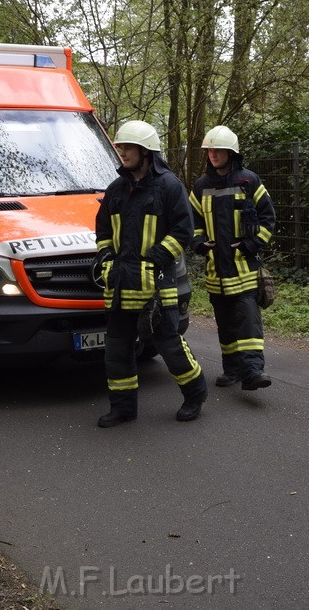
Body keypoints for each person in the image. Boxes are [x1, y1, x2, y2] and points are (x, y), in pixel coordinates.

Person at [93, 120, 208, 427]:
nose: (122, 153)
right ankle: (123, 407)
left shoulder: (169, 186)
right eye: (120, 147)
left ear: (146, 152)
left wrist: (156, 259)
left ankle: (195, 392)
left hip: (157, 285)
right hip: (120, 284)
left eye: (128, 147)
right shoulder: (116, 189)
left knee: (168, 345)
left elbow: (183, 231)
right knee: (117, 349)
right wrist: (105, 256)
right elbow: (103, 230)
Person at [189, 125, 276, 390]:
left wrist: (250, 245)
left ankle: (253, 372)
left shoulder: (249, 181)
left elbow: (268, 219)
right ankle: (232, 370)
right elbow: (192, 222)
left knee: (249, 322)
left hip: (245, 269)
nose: (213, 155)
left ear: (231, 153)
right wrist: (200, 245)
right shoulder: (201, 186)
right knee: (225, 326)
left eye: (218, 150)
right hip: (216, 271)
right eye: (210, 150)